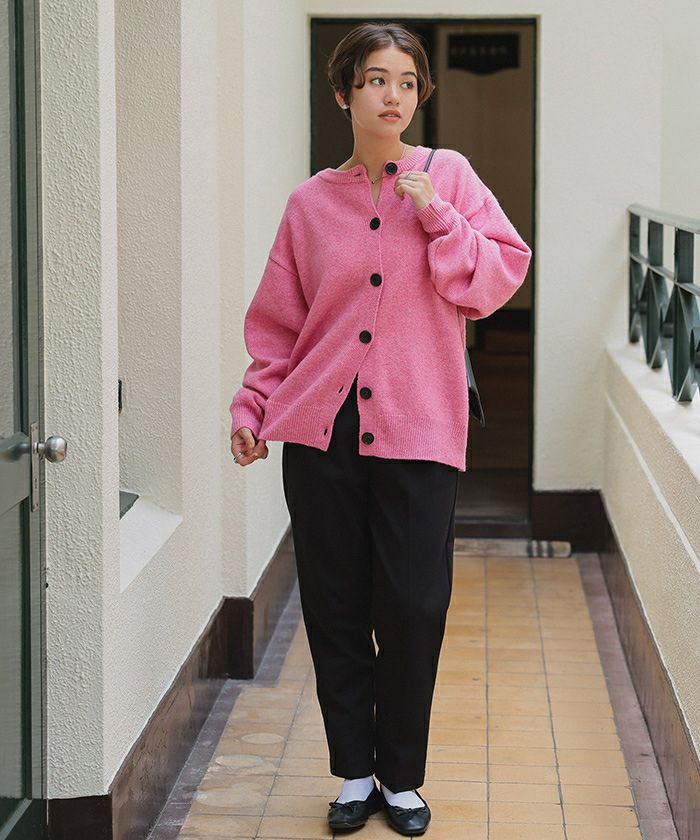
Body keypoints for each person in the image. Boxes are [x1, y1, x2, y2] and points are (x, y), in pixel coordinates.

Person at [228, 21, 532, 836]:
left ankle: (401, 777)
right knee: (334, 606)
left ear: (419, 95)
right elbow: (278, 326)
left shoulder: (449, 176)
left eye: (405, 81)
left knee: (413, 605)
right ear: (344, 93)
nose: (391, 95)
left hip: (419, 428)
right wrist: (253, 408)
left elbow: (497, 276)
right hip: (320, 434)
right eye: (374, 80)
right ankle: (355, 774)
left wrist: (436, 216)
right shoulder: (309, 205)